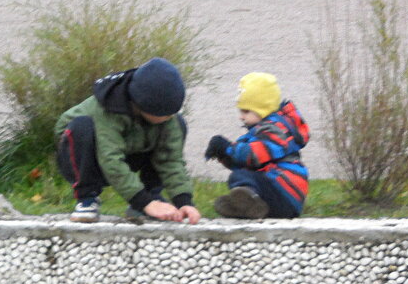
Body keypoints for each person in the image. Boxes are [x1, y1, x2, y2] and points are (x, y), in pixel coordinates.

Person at [54, 57, 201, 225]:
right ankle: (87, 199)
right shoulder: (109, 108)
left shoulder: (167, 117)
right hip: (82, 156)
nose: (169, 118)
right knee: (81, 127)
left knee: (178, 124)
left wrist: (184, 202)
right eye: (165, 114)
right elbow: (110, 159)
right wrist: (143, 201)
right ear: (142, 104)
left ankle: (151, 195)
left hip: (128, 148)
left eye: (171, 113)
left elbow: (170, 159)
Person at [204, 72, 309, 220]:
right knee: (240, 176)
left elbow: (253, 156)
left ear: (262, 109)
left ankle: (245, 203)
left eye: (246, 111)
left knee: (240, 177)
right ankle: (246, 206)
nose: (241, 116)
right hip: (278, 194)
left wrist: (227, 148)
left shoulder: (275, 130)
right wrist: (223, 154)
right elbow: (243, 162)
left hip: (284, 192)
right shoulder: (260, 131)